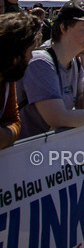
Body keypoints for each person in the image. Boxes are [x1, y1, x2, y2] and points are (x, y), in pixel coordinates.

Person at [16, 0, 84, 139]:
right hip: (19, 154)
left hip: (46, 151)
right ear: (63, 28)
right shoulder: (40, 62)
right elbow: (58, 118)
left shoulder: (75, 62)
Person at [0, 13, 40, 149]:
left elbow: (13, 121)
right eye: (30, 51)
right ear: (14, 57)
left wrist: (4, 136)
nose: (31, 57)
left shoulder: (6, 78)